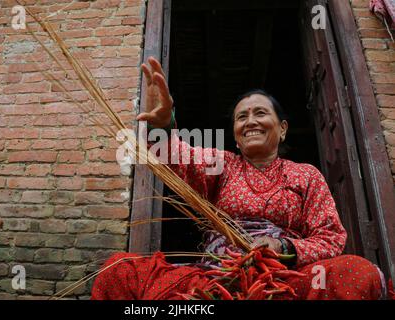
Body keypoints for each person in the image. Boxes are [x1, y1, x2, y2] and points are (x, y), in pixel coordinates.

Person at [91, 57, 385, 300]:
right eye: (241, 117)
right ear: (235, 134)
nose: (251, 121)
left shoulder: (305, 174)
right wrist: (163, 126)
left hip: (285, 278)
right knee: (120, 269)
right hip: (217, 277)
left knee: (359, 273)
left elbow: (331, 238)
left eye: (260, 113)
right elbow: (181, 156)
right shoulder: (223, 164)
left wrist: (282, 248)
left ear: (282, 129)